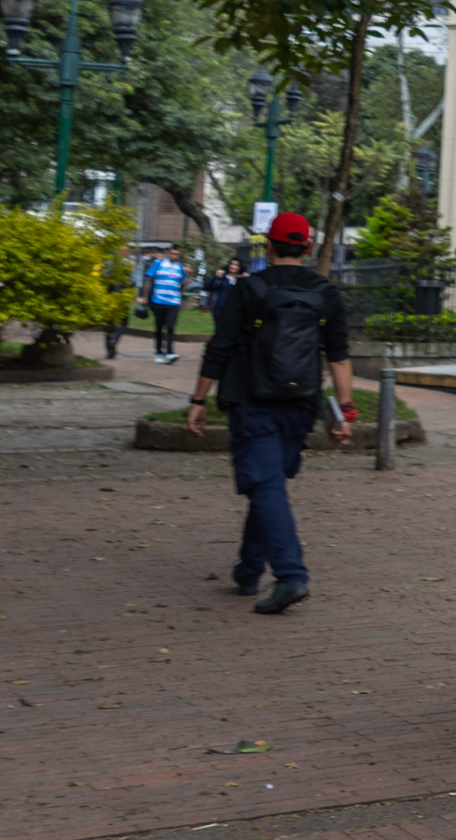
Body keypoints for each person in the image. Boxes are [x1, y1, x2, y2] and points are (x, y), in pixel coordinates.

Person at [184, 212, 353, 614]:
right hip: (301, 405)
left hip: (252, 401)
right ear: (308, 248)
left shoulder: (248, 289)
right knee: (269, 483)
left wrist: (197, 401)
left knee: (265, 485)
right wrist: (344, 410)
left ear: (269, 246)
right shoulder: (325, 292)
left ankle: (291, 576)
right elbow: (340, 356)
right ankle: (247, 571)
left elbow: (219, 348)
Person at [141, 249, 187, 363]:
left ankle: (170, 352)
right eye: (172, 253)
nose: (174, 255)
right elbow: (149, 279)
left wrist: (188, 274)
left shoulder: (180, 267)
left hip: (173, 301)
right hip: (158, 300)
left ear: (179, 255)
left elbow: (183, 285)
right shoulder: (158, 263)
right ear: (168, 253)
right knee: (159, 327)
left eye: (176, 254)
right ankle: (158, 352)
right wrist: (145, 296)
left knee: (171, 326)